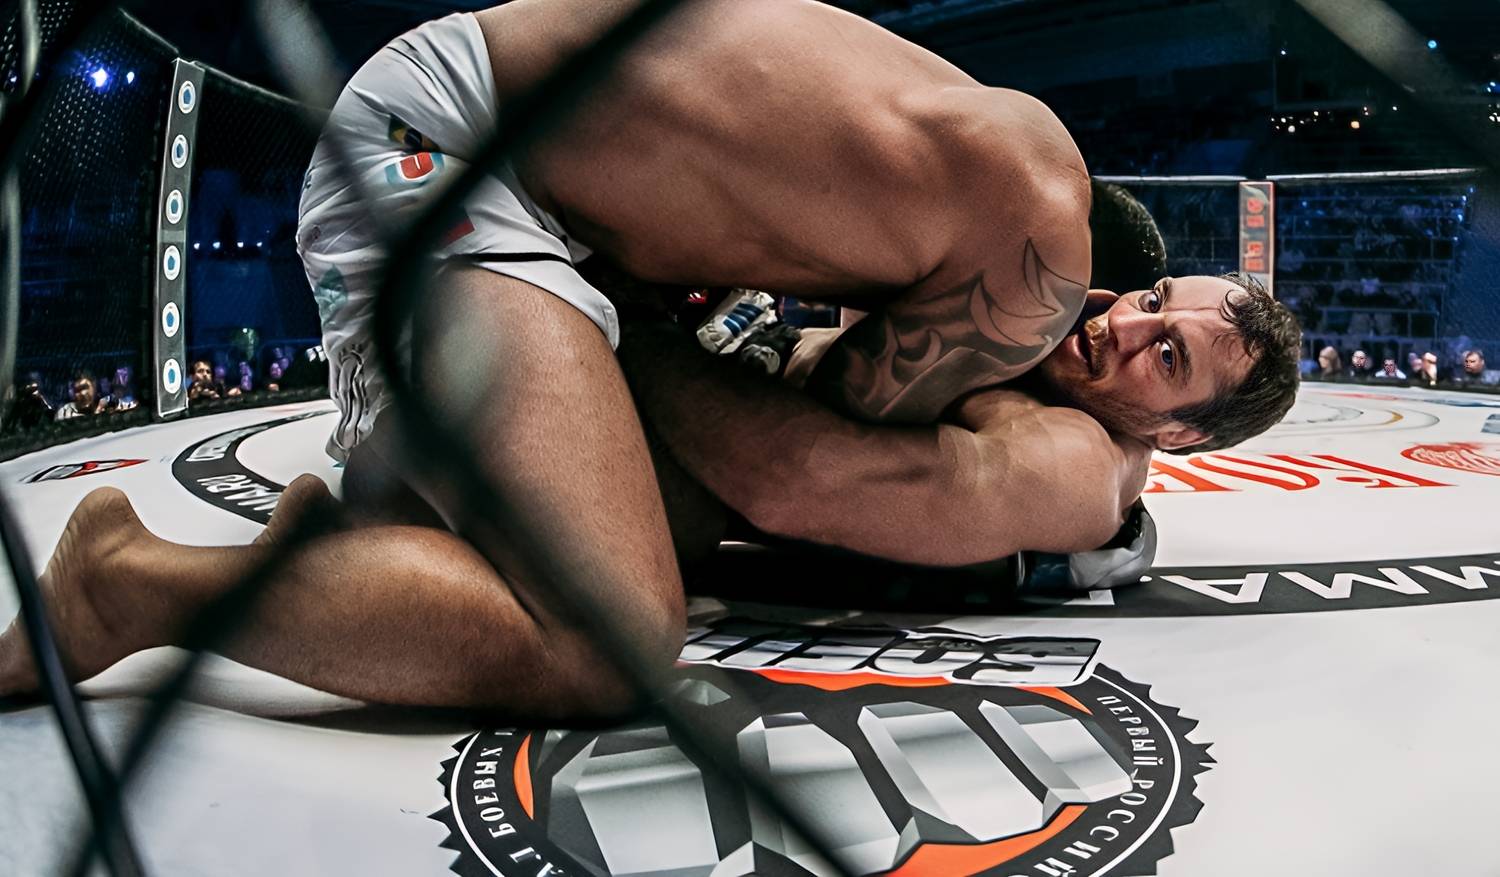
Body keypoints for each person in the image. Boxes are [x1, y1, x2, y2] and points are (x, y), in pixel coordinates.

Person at [0, 0, 1301, 716]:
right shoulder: (1035, 251)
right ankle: (127, 582)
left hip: (517, 177)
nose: (1119, 323)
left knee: (652, 508)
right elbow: (813, 451)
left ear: (1181, 433)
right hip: (447, 148)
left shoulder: (987, 189)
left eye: (1166, 357)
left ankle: (357, 534)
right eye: (1152, 303)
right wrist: (652, 322)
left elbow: (815, 416)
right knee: (611, 638)